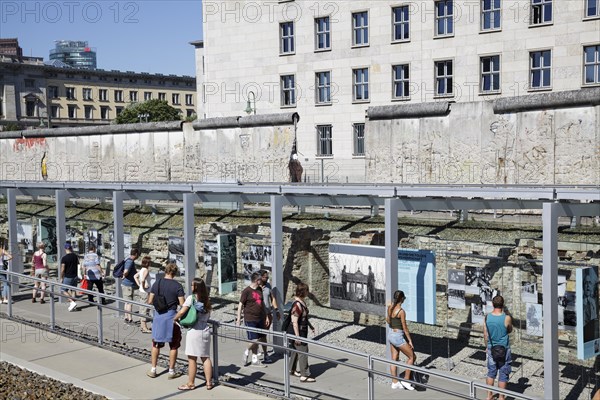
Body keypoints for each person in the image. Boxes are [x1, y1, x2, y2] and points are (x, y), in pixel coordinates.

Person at [146, 263, 185, 380]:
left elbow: (150, 301)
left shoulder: (157, 283)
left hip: (158, 316)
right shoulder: (178, 286)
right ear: (175, 273)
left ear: (165, 271)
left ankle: (153, 369)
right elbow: (182, 304)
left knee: (156, 344)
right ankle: (171, 371)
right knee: (173, 346)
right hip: (172, 317)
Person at [174, 278, 213, 391]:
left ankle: (191, 383)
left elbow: (182, 311)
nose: (191, 287)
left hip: (194, 331)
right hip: (205, 330)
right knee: (205, 357)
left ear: (195, 287)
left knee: (192, 359)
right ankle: (209, 383)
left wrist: (174, 319)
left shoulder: (191, 298)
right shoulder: (207, 300)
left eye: (192, 285)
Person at [484, 295, 513, 400]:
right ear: (503, 304)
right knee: (503, 373)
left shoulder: (487, 317)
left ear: (492, 304)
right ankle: (501, 397)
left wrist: (487, 346)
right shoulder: (506, 318)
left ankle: (489, 396)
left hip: (492, 348)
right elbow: (509, 330)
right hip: (504, 348)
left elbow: (485, 334)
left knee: (491, 372)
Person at [236, 271, 267, 367]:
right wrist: (238, 319)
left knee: (260, 338)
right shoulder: (246, 291)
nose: (262, 281)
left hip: (260, 318)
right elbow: (240, 305)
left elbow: (262, 304)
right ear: (257, 280)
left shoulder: (259, 289)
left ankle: (254, 359)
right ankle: (246, 352)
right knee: (254, 339)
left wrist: (265, 316)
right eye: (260, 280)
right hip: (250, 318)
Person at [387, 290, 416, 390]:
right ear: (402, 299)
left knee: (394, 358)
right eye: (404, 298)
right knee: (412, 356)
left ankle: (394, 382)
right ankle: (406, 380)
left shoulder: (390, 307)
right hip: (398, 336)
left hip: (390, 334)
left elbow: (388, 320)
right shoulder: (401, 311)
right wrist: (410, 341)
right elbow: (405, 328)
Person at [289, 282, 316, 382]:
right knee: (303, 351)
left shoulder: (301, 302)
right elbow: (295, 322)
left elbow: (303, 318)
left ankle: (291, 369)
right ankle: (304, 375)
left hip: (301, 330)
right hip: (298, 332)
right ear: (303, 292)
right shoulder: (297, 305)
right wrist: (297, 337)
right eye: (307, 290)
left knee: (296, 351)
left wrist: (310, 326)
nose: (308, 292)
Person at [259, 269, 281, 363]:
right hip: (259, 314)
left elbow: (272, 298)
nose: (267, 278)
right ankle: (261, 352)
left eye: (268, 276)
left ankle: (262, 351)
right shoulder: (256, 287)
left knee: (264, 334)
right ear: (260, 277)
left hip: (268, 313)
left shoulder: (268, 285)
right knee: (260, 335)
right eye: (265, 277)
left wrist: (276, 310)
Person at [134, 256, 152, 333]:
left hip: (141, 291)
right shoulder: (146, 270)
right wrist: (144, 286)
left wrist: (139, 285)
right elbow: (143, 279)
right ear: (148, 263)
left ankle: (142, 326)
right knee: (144, 309)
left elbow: (135, 276)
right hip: (145, 292)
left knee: (142, 308)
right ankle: (144, 327)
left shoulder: (141, 269)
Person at [122, 248, 140, 324]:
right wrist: (124, 275)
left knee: (126, 302)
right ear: (135, 254)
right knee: (129, 303)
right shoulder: (130, 262)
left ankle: (126, 317)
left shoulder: (127, 259)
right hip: (128, 285)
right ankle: (130, 319)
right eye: (138, 255)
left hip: (125, 284)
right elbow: (126, 271)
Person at [60, 242, 79, 311]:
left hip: (68, 276)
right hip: (75, 275)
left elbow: (62, 269)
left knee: (63, 289)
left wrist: (61, 277)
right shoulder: (75, 256)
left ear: (65, 249)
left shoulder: (64, 258)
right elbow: (78, 265)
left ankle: (72, 302)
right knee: (73, 290)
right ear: (71, 248)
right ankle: (73, 305)